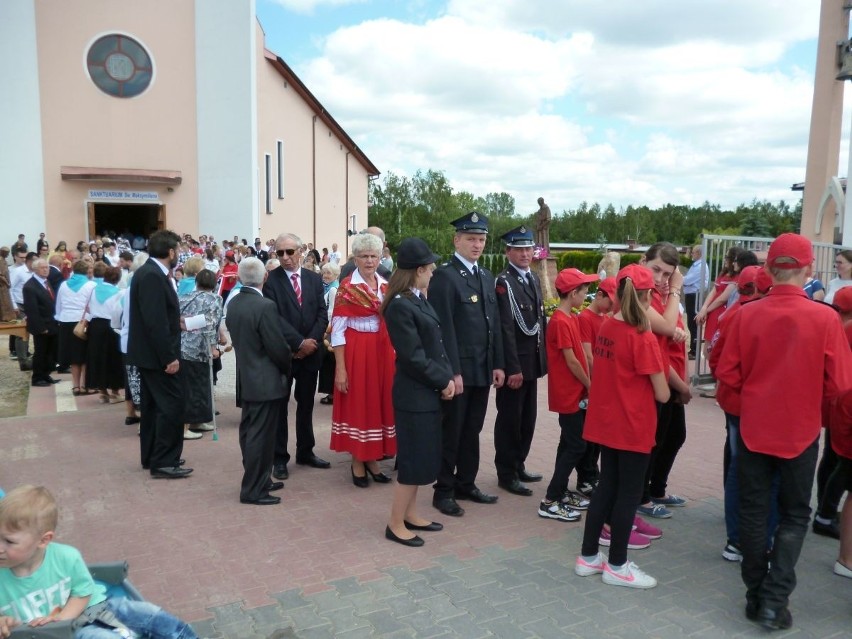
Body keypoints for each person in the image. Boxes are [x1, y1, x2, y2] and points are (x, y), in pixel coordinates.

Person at [715, 233, 852, 630]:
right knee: (794, 514)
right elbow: (841, 384)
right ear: (809, 269)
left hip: (755, 428)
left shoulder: (746, 313)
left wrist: (753, 403)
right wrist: (809, 400)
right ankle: (774, 600)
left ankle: (757, 594)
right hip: (801, 431)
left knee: (755, 511)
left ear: (770, 270)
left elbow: (727, 374)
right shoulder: (825, 317)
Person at [574, 264, 670, 589]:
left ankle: (588, 557)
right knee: (628, 494)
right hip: (632, 424)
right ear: (645, 297)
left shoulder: (606, 327)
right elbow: (662, 391)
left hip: (606, 421)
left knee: (606, 488)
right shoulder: (641, 336)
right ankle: (617, 564)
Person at [0, 485, 199, 638]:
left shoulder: (66, 557)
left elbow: (83, 591)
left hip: (94, 607)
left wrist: (63, 617)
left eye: (8, 541)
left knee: (152, 615)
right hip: (53, 634)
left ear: (43, 540)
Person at [428, 211, 505, 517]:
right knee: (453, 430)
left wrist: (498, 363)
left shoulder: (485, 276)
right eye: (471, 239)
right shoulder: (445, 277)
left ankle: (466, 483)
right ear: (456, 240)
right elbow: (442, 329)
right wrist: (452, 371)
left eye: (482, 239)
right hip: (460, 370)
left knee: (472, 429)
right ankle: (443, 489)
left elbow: (493, 323)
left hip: (482, 368)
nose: (477, 245)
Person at [381, 238, 454, 546]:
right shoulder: (400, 305)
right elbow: (413, 357)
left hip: (426, 393)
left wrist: (446, 378)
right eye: (430, 267)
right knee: (412, 462)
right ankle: (395, 523)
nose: (433, 271)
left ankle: (410, 514)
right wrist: (443, 380)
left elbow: (434, 346)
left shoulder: (417, 299)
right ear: (419, 270)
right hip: (414, 396)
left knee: (424, 458)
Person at [708, 265, 775, 563]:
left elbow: (715, 356)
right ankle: (758, 539)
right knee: (764, 473)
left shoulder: (733, 313)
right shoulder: (759, 315)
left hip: (734, 402)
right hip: (753, 406)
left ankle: (735, 539)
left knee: (737, 467)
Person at [263, 233, 331, 480]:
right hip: (286, 354)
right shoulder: (271, 282)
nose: (285, 257)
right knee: (280, 407)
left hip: (311, 354)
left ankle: (306, 451)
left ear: (300, 251)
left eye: (289, 252)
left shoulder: (314, 279)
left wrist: (311, 342)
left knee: (306, 405)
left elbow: (322, 314)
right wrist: (299, 343)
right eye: (280, 253)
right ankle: (279, 458)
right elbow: (274, 318)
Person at [330, 232, 396, 485]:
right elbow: (337, 331)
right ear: (355, 258)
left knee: (379, 402)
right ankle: (358, 459)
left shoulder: (385, 286)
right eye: (364, 256)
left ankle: (373, 457)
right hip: (357, 350)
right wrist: (341, 369)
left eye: (373, 256)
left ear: (381, 257)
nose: (369, 261)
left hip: (382, 350)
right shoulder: (346, 288)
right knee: (360, 403)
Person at [226, 258, 291, 505]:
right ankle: (253, 488)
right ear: (265, 278)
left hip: (248, 377)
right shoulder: (264, 306)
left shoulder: (234, 303)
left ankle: (260, 480)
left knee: (251, 433)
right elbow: (277, 347)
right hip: (265, 380)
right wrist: (286, 368)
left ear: (240, 278)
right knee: (260, 437)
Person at [128, 230, 190, 479]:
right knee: (172, 406)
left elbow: (157, 315)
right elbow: (154, 322)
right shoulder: (153, 275)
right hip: (158, 356)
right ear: (171, 252)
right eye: (178, 250)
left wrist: (177, 321)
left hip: (150, 354)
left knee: (153, 407)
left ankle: (153, 455)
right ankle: (164, 460)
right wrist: (169, 357)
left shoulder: (150, 273)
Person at [538, 268, 598, 523]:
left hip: (576, 392)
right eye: (583, 291)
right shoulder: (561, 322)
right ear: (573, 293)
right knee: (576, 444)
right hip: (568, 394)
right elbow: (572, 362)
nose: (585, 296)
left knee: (568, 443)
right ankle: (550, 499)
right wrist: (590, 385)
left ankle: (560, 491)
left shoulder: (570, 318)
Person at [493, 225, 547, 497]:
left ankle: (519, 463)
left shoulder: (533, 279)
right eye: (520, 249)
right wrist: (511, 367)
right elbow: (505, 328)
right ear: (508, 252)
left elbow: (539, 321)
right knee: (510, 421)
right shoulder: (504, 282)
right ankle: (506, 472)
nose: (526, 253)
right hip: (517, 366)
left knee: (528, 419)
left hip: (532, 363)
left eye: (529, 248)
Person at [573, 276, 617, 496]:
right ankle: (585, 478)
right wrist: (596, 383)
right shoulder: (585, 318)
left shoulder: (607, 317)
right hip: (592, 385)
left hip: (604, 387)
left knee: (599, 437)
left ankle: (593, 474)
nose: (611, 307)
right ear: (599, 295)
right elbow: (588, 355)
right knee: (586, 438)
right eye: (609, 301)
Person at [178, 268, 224, 440]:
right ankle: (184, 426)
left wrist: (186, 323)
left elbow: (177, 319)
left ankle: (197, 420)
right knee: (193, 386)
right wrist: (213, 347)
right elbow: (209, 325)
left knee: (198, 385)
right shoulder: (216, 299)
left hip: (183, 344)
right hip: (199, 347)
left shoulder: (184, 297)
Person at [55, 260, 97, 395]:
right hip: (83, 321)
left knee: (73, 356)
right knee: (85, 355)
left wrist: (60, 318)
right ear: (87, 272)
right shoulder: (91, 285)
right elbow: (92, 305)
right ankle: (86, 384)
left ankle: (75, 386)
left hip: (66, 321)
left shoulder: (64, 284)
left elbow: (58, 305)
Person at [85, 266, 124, 403]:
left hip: (95, 326)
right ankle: (115, 392)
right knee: (114, 359)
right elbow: (119, 311)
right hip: (112, 327)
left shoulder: (94, 290)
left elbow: (88, 308)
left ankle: (102, 392)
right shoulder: (118, 292)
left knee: (98, 358)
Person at [695, 246, 743, 351]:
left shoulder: (737, 277)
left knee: (713, 349)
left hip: (721, 313)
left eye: (727, 257)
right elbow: (714, 291)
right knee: (708, 348)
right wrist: (703, 308)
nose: (725, 259)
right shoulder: (725, 274)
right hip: (713, 313)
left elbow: (723, 298)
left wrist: (705, 311)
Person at [22, 259, 60, 387]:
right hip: (42, 325)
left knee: (50, 352)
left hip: (52, 323)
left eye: (47, 267)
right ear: (35, 269)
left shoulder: (46, 282)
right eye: (42, 268)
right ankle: (37, 377)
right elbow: (32, 310)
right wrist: (40, 327)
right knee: (41, 352)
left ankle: (45, 374)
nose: (46, 270)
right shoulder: (30, 286)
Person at [317, 261, 341, 405]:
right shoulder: (328, 288)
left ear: (336, 275)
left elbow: (332, 310)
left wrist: (327, 329)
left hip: (330, 328)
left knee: (329, 361)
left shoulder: (332, 289)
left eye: (328, 273)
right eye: (324, 272)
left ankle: (332, 393)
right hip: (329, 326)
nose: (325, 276)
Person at [682, 244, 709, 359]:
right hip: (692, 295)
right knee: (691, 322)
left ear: (699, 253)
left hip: (694, 295)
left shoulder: (700, 266)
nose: (692, 254)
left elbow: (687, 280)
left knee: (693, 323)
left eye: (693, 252)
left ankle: (694, 351)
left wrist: (681, 279)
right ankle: (693, 349)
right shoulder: (697, 265)